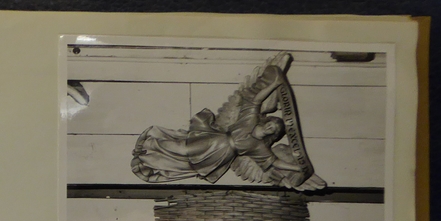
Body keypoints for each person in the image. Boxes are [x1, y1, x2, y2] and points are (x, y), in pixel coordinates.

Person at [130, 52, 326, 191]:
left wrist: (297, 168)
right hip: (215, 141)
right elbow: (255, 99)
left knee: (186, 166)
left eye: (273, 129)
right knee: (182, 149)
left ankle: (148, 161)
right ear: (265, 121)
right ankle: (150, 143)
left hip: (222, 156)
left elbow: (274, 162)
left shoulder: (258, 147)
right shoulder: (249, 119)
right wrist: (273, 83)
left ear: (272, 134)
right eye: (270, 123)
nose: (269, 127)